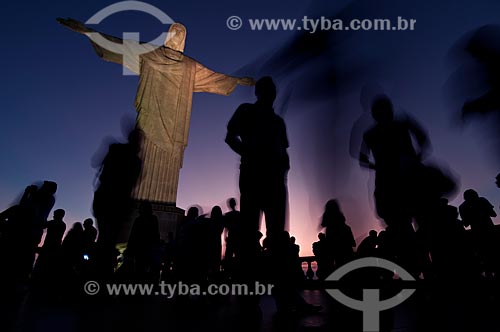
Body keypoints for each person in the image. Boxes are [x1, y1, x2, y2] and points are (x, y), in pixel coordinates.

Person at [226, 76, 320, 315]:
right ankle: (250, 298)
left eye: (273, 90)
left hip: (276, 181)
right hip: (252, 177)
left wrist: (283, 168)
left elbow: (284, 151)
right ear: (259, 92)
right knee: (250, 238)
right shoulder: (245, 110)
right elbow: (230, 137)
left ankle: (285, 297)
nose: (271, 93)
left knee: (278, 239)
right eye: (267, 89)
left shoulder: (278, 122)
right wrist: (248, 152)